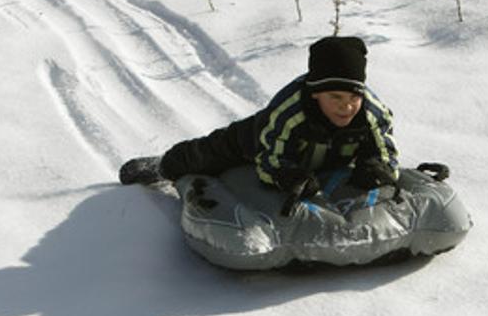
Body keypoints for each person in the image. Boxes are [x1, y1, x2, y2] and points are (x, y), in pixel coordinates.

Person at [119, 36, 399, 204]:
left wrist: (378, 167)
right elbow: (271, 160)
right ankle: (163, 165)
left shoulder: (371, 113)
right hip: (254, 142)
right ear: (316, 94)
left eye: (353, 97)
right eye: (335, 97)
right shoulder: (290, 112)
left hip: (329, 155)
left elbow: (385, 151)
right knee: (206, 154)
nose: (347, 106)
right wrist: (287, 176)